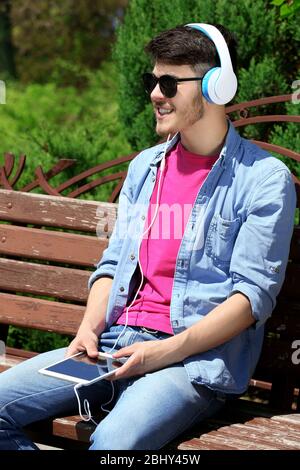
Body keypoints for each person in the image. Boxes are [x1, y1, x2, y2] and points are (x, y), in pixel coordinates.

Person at [0, 22, 296, 451]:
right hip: (112, 347)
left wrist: (163, 353)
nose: (156, 93)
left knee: (112, 446)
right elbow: (111, 264)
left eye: (170, 82)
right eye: (152, 80)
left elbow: (250, 299)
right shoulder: (145, 167)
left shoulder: (263, 180)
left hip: (190, 364)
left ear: (217, 87)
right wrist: (88, 328)